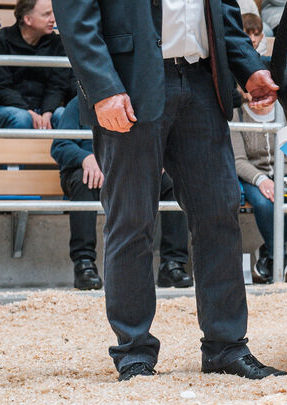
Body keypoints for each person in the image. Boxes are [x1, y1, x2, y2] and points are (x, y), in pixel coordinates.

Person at [52, 0, 282, 383]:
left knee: (218, 215)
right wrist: (102, 89)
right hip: (130, 91)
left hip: (200, 88)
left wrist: (250, 70)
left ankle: (226, 347)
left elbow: (221, 4)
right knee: (132, 221)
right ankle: (133, 352)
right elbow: (76, 14)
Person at [51, 95, 192, 292]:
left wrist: (158, 159)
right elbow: (60, 146)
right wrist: (86, 158)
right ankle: (84, 265)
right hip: (89, 171)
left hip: (128, 169)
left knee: (170, 182)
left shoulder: (136, 101)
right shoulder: (78, 104)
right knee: (86, 181)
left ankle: (172, 264)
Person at [233, 99, 287, 282]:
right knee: (264, 203)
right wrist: (261, 180)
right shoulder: (238, 114)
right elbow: (238, 160)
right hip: (255, 177)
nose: (255, 94)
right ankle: (280, 258)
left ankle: (268, 252)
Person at [0, 0, 71, 129]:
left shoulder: (59, 44)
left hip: (44, 108)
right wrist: (28, 111)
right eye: (46, 14)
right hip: (3, 107)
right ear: (28, 19)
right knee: (22, 118)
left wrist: (48, 112)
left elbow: (58, 85)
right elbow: (0, 87)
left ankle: (73, 151)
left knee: (64, 115)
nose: (53, 19)